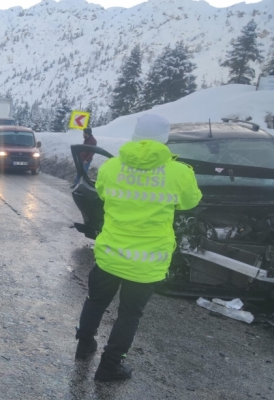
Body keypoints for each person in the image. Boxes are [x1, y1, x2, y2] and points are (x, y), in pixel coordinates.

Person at [74, 114, 202, 382]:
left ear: (135, 136)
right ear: (165, 139)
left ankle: (84, 346)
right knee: (129, 315)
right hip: (147, 261)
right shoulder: (179, 173)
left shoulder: (111, 166)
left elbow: (102, 193)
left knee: (95, 302)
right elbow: (190, 203)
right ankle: (109, 367)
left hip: (110, 254)